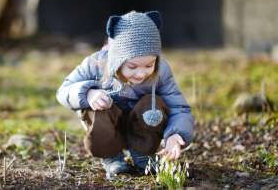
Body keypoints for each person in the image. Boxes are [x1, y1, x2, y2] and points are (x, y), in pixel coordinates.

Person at [56, 10, 194, 179]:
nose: (141, 74)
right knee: (97, 106)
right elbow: (63, 91)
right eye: (133, 67)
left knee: (154, 103)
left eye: (149, 65)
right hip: (108, 126)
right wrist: (89, 93)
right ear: (117, 60)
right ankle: (112, 158)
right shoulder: (96, 64)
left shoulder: (161, 72)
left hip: (142, 127)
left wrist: (176, 134)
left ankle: (143, 155)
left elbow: (178, 107)